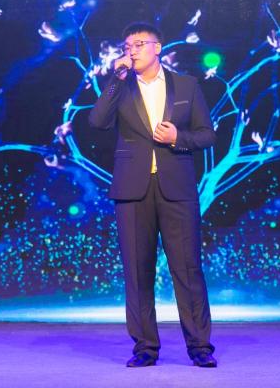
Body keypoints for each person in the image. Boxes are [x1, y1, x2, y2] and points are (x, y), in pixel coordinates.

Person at [88, 22, 218, 368]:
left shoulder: (186, 86)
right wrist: (116, 78)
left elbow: (207, 134)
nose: (132, 50)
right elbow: (97, 121)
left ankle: (200, 346)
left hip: (177, 188)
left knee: (188, 269)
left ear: (157, 48)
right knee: (137, 271)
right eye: (127, 45)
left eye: (139, 44)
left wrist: (178, 137)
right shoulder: (121, 86)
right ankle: (145, 346)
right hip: (133, 189)